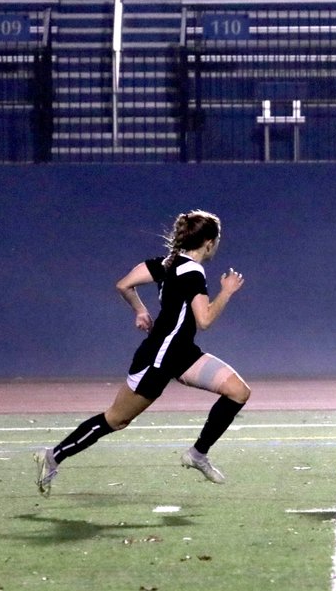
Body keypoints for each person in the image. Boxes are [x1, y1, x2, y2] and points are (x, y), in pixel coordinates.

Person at [33, 209, 250, 494]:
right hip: (158, 359)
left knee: (238, 391)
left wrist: (140, 311)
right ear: (209, 242)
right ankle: (52, 456)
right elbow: (205, 320)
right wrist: (227, 291)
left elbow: (124, 284)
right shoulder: (193, 272)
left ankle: (197, 454)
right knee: (116, 419)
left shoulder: (167, 263)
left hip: (182, 354)